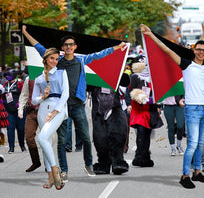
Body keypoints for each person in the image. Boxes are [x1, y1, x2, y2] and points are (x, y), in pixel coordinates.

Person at [22, 25, 126, 181]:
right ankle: (64, 170)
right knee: (62, 141)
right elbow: (39, 48)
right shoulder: (57, 62)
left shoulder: (82, 60)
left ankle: (88, 165)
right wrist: (25, 33)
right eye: (66, 45)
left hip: (77, 105)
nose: (69, 47)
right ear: (63, 48)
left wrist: (117, 47)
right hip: (61, 107)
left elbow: (99, 55)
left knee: (85, 137)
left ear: (75, 47)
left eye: (71, 44)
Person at [140, 24, 204, 189]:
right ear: (194, 50)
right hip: (192, 108)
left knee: (200, 143)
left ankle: (197, 172)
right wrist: (151, 34)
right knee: (193, 143)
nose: (201, 52)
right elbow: (167, 50)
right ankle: (185, 175)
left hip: (203, 108)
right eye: (198, 49)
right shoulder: (186, 64)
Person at [32, 47, 69, 190]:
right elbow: (34, 100)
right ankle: (50, 177)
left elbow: (65, 94)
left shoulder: (61, 72)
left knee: (42, 138)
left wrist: (54, 111)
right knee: (45, 141)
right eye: (52, 58)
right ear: (46, 59)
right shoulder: (39, 77)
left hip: (57, 109)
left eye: (56, 58)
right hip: (43, 109)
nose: (54, 61)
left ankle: (55, 172)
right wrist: (42, 97)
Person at [126, 56, 163, 167]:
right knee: (141, 132)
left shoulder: (152, 78)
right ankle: (139, 156)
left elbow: (157, 92)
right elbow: (130, 91)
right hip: (139, 108)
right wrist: (130, 103)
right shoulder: (134, 77)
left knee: (147, 133)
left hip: (150, 108)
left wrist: (157, 104)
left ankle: (146, 155)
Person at [18, 76, 41, 172]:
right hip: (31, 111)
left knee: (46, 139)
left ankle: (49, 163)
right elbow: (24, 95)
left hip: (45, 111)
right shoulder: (29, 79)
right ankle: (36, 162)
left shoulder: (51, 75)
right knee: (29, 137)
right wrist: (20, 109)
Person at [3, 70, 26, 153]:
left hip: (19, 110)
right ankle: (11, 147)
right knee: (10, 128)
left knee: (21, 128)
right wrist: (2, 101)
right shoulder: (5, 84)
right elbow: (2, 94)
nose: (8, 77)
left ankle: (22, 146)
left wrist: (20, 103)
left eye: (9, 75)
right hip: (9, 110)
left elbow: (24, 94)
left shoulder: (20, 84)